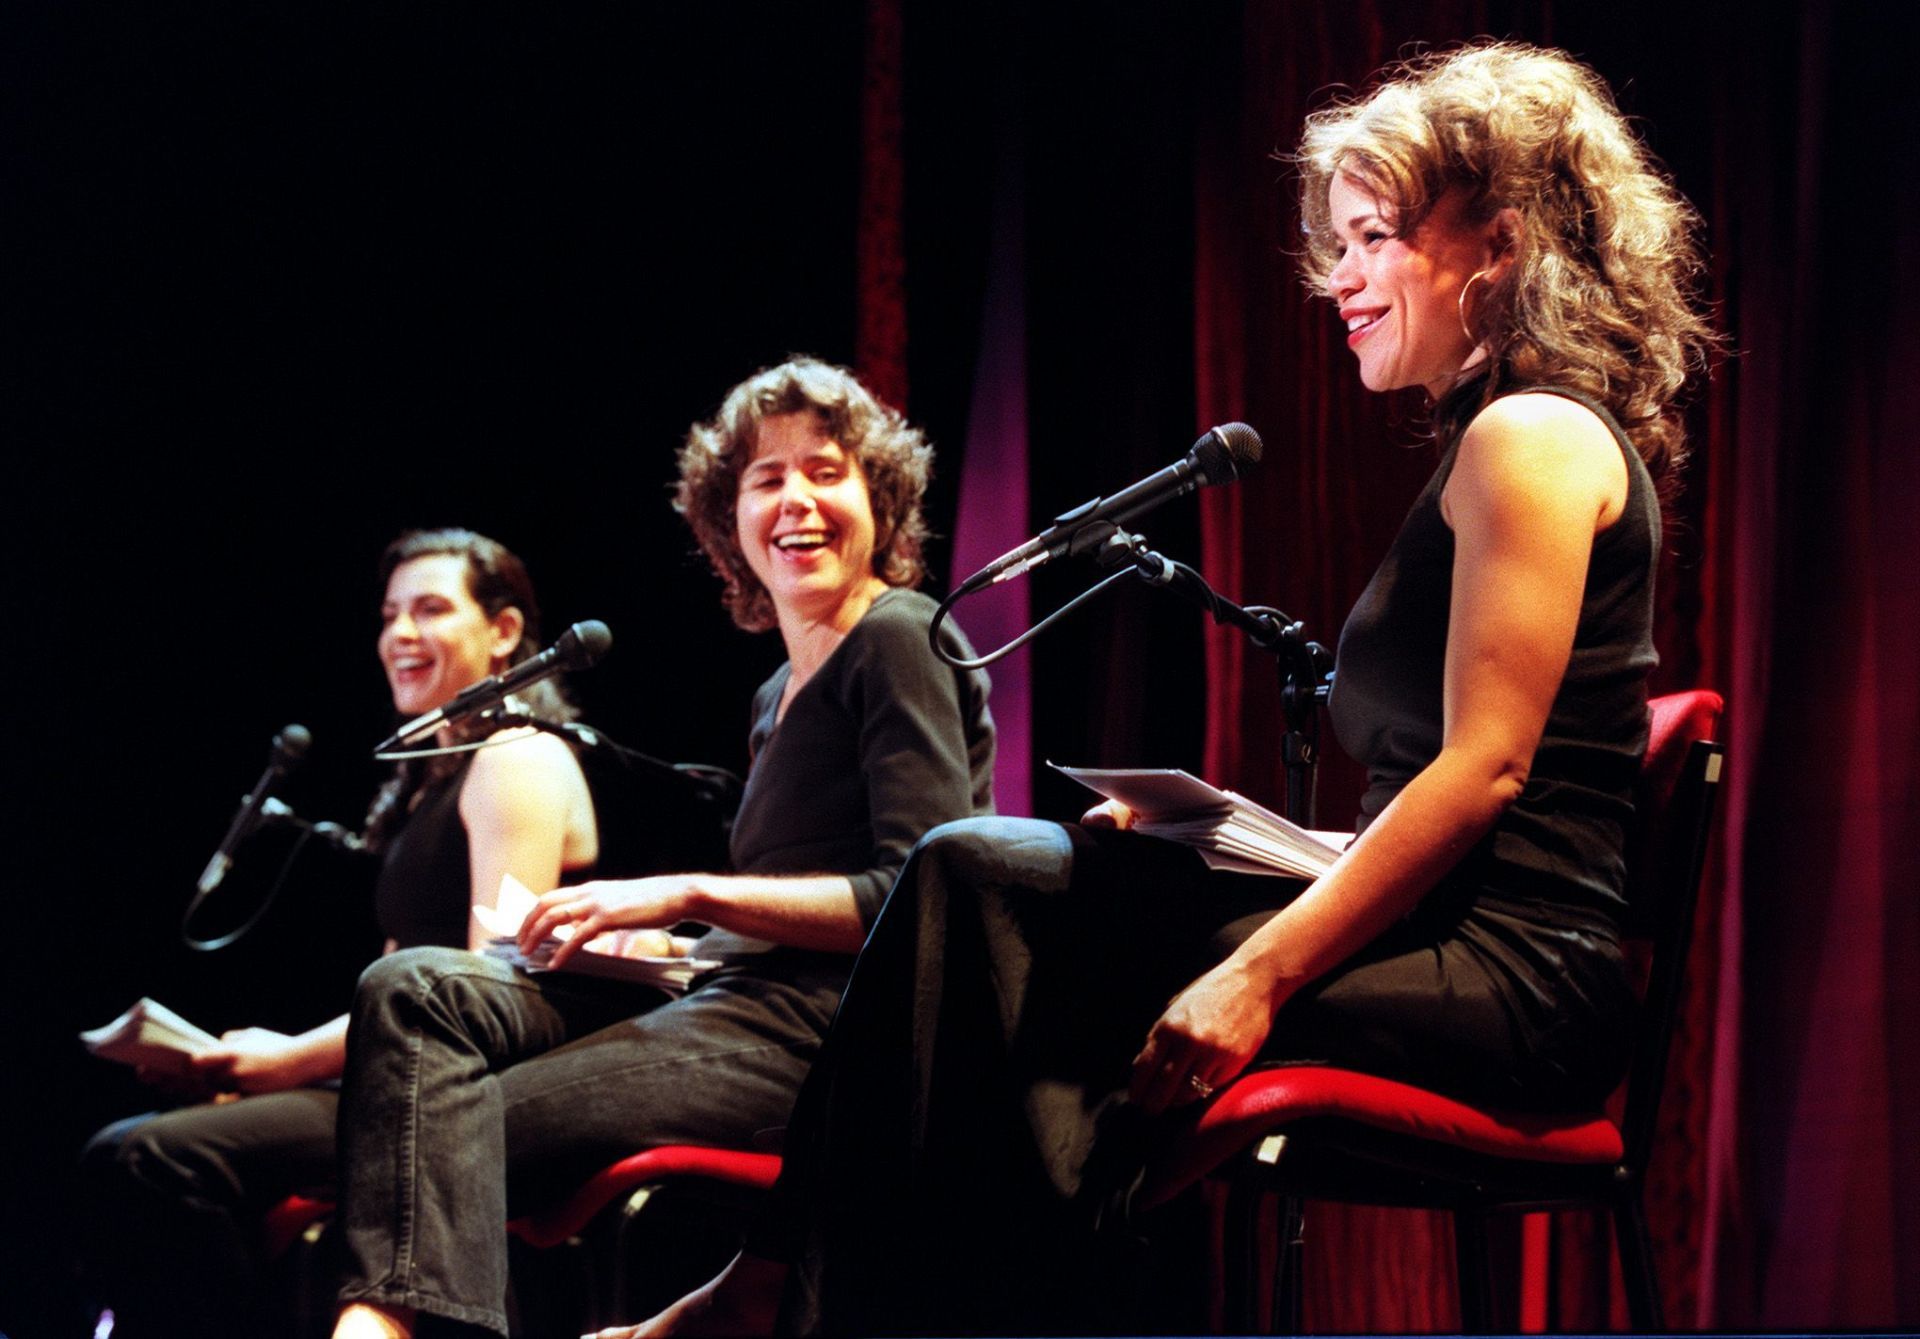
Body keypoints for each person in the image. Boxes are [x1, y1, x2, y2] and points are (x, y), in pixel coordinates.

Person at [608, 40, 1720, 1338]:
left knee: (1005, 928)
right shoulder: (1494, 442)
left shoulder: (1530, 437)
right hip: (1448, 938)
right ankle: (807, 1291)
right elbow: (1440, 785)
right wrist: (1243, 838)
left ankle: (800, 1295)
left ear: (1500, 242)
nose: (1339, 279)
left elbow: (1487, 774)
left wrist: (1253, 972)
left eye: (1373, 238)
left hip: (1518, 978)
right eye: (1338, 244)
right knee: (981, 877)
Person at [328, 357, 996, 1339]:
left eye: (826, 471)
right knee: (415, 986)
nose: (796, 501)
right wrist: (659, 946)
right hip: (728, 1001)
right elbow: (785, 904)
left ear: (881, 500)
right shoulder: (776, 695)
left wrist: (688, 894)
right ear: (730, 522)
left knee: (433, 1129)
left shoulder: (898, 633)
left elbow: (918, 899)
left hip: (817, 1043)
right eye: (766, 481)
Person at [78, 528, 601, 1339]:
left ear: (503, 632)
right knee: (139, 1148)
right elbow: (399, 981)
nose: (400, 634)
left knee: (147, 1157)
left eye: (430, 609)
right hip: (395, 1080)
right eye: (390, 614)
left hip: (458, 1100)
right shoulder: (431, 779)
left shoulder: (515, 758)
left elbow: (480, 988)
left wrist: (282, 1063)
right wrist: (269, 1067)